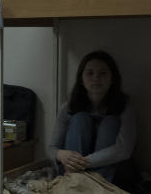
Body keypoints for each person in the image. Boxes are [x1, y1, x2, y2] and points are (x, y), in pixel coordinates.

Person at [48, 50, 136, 182]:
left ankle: (98, 185)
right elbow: (52, 148)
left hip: (105, 173)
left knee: (110, 122)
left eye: (103, 73)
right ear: (81, 80)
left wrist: (82, 162)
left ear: (113, 79)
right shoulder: (68, 107)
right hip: (73, 170)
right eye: (90, 73)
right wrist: (62, 155)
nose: (96, 78)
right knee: (80, 119)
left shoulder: (124, 108)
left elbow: (124, 150)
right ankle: (74, 181)